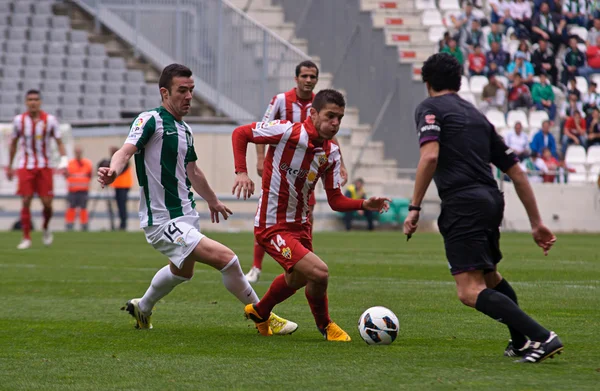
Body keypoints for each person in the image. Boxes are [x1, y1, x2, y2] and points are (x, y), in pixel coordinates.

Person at [97, 63, 297, 335]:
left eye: (191, 90)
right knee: (228, 259)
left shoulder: (185, 129)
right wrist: (113, 170)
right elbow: (126, 150)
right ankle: (263, 315)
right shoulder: (150, 120)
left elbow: (192, 170)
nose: (189, 96)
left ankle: (142, 307)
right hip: (162, 220)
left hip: (185, 216)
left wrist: (213, 200)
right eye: (182, 90)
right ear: (165, 93)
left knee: (182, 272)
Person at [404, 53, 562, 363]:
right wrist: (536, 222)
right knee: (490, 277)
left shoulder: (429, 108)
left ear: (427, 83)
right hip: (491, 200)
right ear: (459, 81)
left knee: (469, 290)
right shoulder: (477, 115)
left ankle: (544, 338)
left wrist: (414, 207)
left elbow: (430, 156)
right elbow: (516, 172)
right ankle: (520, 343)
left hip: (463, 203)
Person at [231, 89, 390, 340]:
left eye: (340, 117)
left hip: (301, 226)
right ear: (313, 113)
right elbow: (240, 133)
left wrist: (364, 204)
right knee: (320, 272)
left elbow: (336, 200)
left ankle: (260, 311)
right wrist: (241, 171)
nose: (335, 123)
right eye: (330, 116)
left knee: (297, 280)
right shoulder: (286, 131)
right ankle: (326, 326)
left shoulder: (332, 154)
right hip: (271, 224)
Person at [246, 60, 348, 284]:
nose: (309, 80)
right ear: (296, 79)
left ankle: (302, 260)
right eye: (305, 76)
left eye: (313, 77)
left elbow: (329, 135)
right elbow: (262, 127)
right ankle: (256, 266)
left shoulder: (322, 104)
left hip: (308, 169)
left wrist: (341, 164)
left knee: (306, 214)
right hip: (281, 168)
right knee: (269, 215)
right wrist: (260, 158)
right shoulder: (281, 100)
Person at [5, 90, 68, 249]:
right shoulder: (19, 120)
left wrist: (64, 161)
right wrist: (10, 166)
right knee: (25, 200)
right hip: (25, 166)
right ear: (26, 102)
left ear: (40, 102)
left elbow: (59, 142)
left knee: (47, 203)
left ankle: (46, 227)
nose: (33, 102)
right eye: (30, 99)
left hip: (44, 166)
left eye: (36, 99)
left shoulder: (50, 120)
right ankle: (26, 237)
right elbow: (13, 144)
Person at [65, 146, 93, 231]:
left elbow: (90, 174)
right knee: (71, 207)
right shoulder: (70, 163)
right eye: (76, 152)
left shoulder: (87, 163)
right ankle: (69, 224)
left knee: (83, 208)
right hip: (72, 190)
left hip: (83, 190)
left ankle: (84, 224)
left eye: (79, 152)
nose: (78, 154)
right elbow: (66, 175)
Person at [109, 146, 133, 230]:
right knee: (120, 206)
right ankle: (122, 223)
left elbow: (119, 170)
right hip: (118, 186)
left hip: (124, 186)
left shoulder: (123, 161)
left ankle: (123, 224)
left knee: (122, 206)